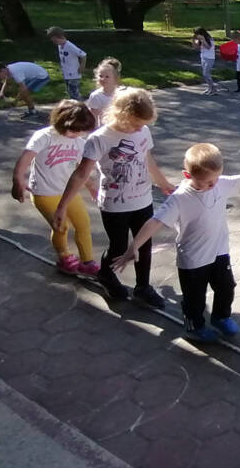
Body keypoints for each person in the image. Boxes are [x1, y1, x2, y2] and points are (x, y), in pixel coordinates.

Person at [112, 142, 240, 341]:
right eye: (207, 182)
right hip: (193, 259)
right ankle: (194, 325)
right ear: (188, 175)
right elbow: (154, 222)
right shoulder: (179, 199)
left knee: (226, 287)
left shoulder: (219, 183)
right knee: (194, 298)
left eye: (216, 179)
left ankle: (221, 317)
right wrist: (134, 246)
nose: (213, 185)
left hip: (219, 251)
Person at [53, 88, 175, 306]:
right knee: (118, 247)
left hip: (143, 200)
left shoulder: (143, 131)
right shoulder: (99, 139)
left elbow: (149, 161)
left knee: (143, 244)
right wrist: (62, 207)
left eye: (143, 124)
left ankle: (143, 287)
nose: (140, 128)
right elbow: (81, 174)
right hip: (115, 205)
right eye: (136, 123)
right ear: (122, 114)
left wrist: (164, 183)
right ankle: (106, 275)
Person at [12, 100, 100, 275]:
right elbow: (25, 159)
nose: (77, 134)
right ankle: (64, 256)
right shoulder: (44, 136)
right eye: (74, 129)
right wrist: (18, 180)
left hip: (68, 192)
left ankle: (87, 261)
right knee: (61, 226)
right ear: (61, 121)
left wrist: (91, 186)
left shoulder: (79, 142)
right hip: (44, 193)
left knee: (83, 224)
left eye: (81, 130)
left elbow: (80, 169)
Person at [47, 26, 87, 101]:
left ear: (59, 37)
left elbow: (83, 55)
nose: (53, 40)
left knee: (74, 93)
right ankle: (74, 108)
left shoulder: (70, 46)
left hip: (74, 73)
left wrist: (82, 66)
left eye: (54, 39)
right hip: (67, 74)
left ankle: (80, 108)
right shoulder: (60, 46)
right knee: (69, 92)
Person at [86, 57, 123, 125]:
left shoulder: (122, 94)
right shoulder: (96, 96)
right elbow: (94, 118)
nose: (103, 79)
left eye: (107, 77)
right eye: (101, 76)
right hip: (104, 130)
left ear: (115, 78)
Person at [192, 27, 218, 95]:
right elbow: (195, 47)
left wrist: (203, 39)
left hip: (210, 58)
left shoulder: (210, 39)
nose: (197, 35)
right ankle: (210, 88)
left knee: (206, 73)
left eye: (197, 34)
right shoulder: (200, 39)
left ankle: (214, 88)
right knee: (205, 75)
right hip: (203, 57)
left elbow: (208, 47)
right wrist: (193, 40)